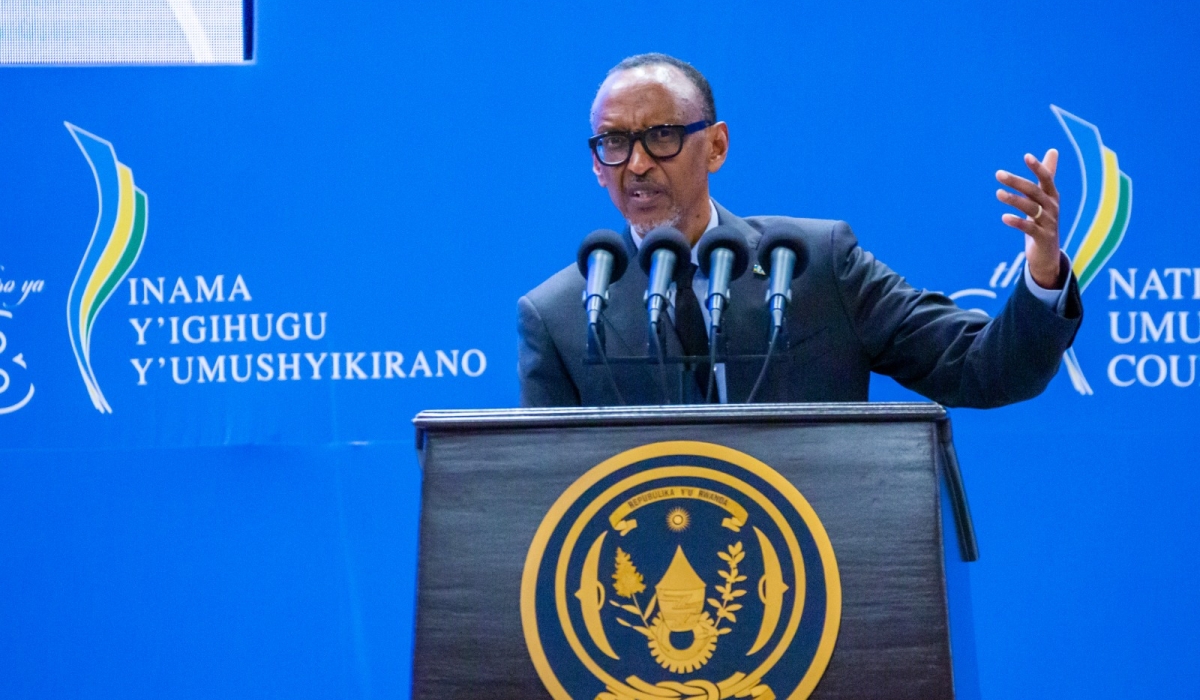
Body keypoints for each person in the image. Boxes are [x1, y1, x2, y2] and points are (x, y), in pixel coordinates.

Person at [518, 53, 1081, 407]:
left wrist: (1042, 270)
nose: (636, 164)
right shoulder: (560, 314)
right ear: (596, 164)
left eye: (661, 136)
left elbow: (983, 371)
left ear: (715, 146)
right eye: (614, 143)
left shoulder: (813, 262)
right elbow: (541, 492)